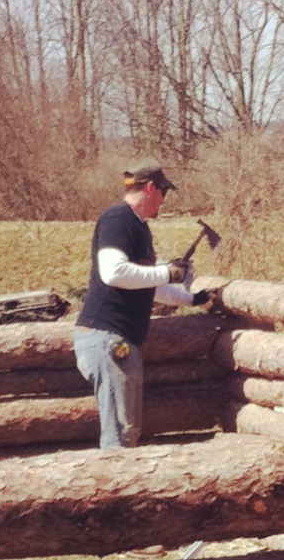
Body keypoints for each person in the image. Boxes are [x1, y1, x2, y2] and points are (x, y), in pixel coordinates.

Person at [73, 159, 210, 449]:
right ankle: (117, 491)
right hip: (107, 338)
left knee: (127, 431)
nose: (163, 201)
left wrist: (190, 298)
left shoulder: (139, 227)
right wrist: (166, 272)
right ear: (150, 188)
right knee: (120, 437)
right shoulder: (117, 220)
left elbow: (149, 285)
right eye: (163, 193)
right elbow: (113, 273)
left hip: (117, 340)